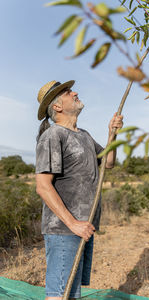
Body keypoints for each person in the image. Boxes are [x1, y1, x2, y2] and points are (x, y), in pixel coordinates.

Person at [35, 80, 123, 300]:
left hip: (84, 227)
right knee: (59, 294)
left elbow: (109, 163)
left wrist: (112, 133)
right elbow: (43, 186)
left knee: (71, 293)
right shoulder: (54, 136)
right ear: (57, 107)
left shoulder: (84, 135)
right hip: (65, 228)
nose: (75, 92)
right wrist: (73, 223)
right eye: (68, 92)